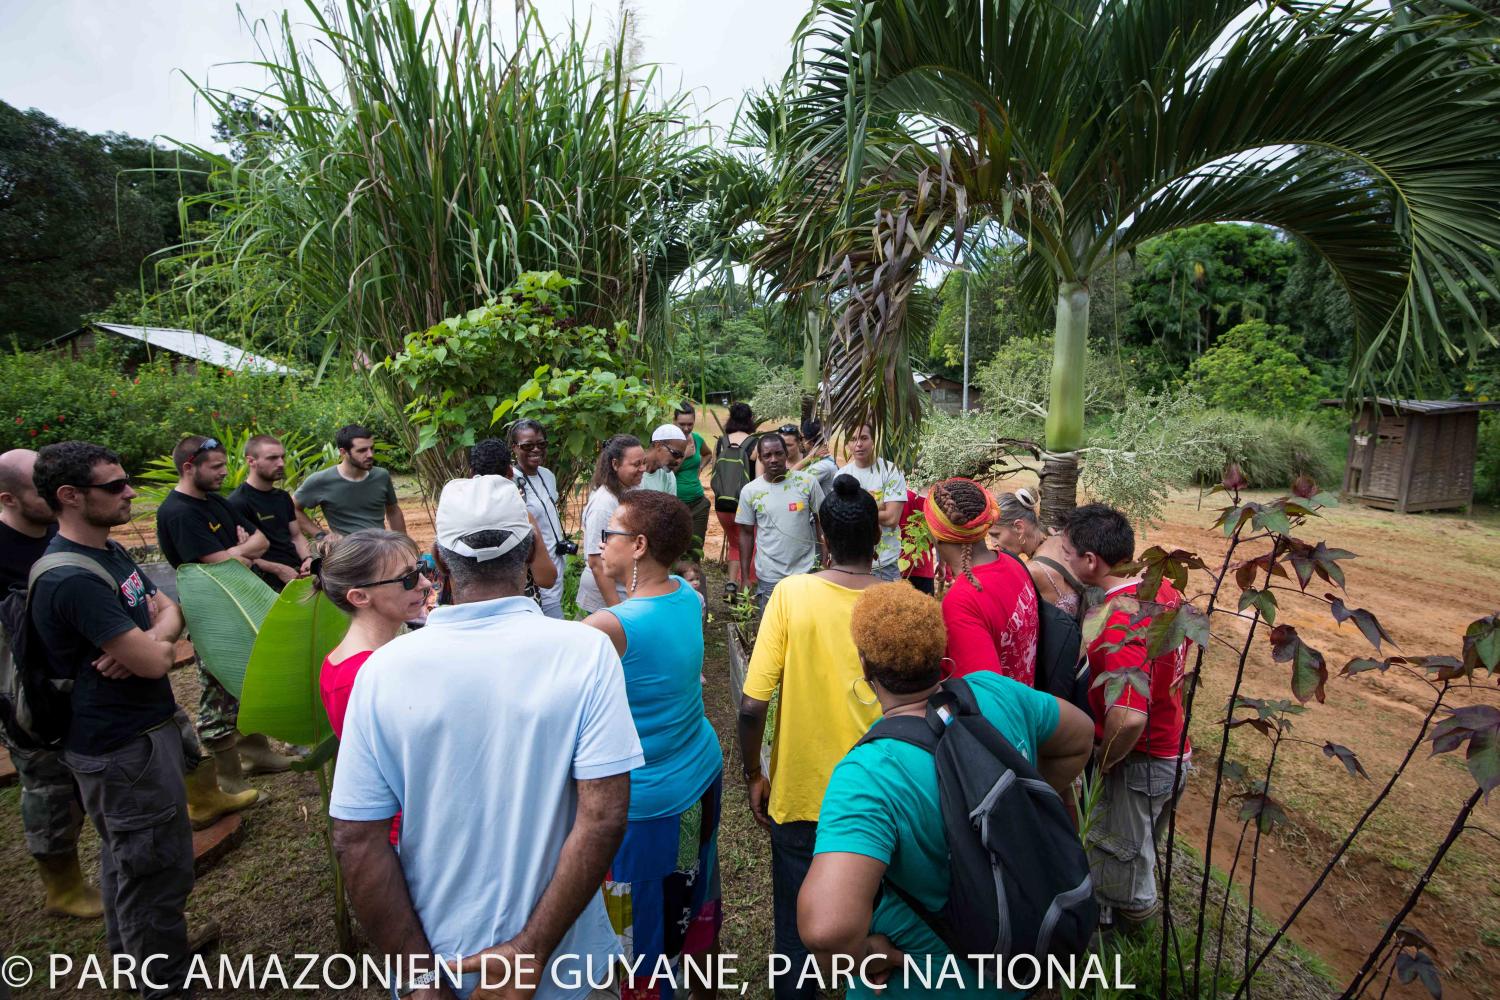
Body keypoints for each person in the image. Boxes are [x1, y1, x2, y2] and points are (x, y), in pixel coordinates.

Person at [329, 475, 643, 1000]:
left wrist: (420, 979)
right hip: (564, 964)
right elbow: (604, 815)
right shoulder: (585, 652)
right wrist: (530, 951)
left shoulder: (382, 671)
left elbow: (355, 837)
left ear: (437, 559)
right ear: (528, 548)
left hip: (443, 954)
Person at [797, 583, 1094, 1000]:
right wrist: (1023, 806)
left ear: (866, 666)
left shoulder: (871, 774)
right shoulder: (997, 692)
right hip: (1023, 969)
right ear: (941, 650)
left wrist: (862, 955)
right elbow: (1080, 735)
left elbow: (827, 930)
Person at [29, 442, 203, 996]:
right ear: (70, 496)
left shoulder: (110, 552)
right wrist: (155, 644)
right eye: (115, 486)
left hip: (141, 737)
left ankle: (141, 960)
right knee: (154, 871)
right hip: (121, 751)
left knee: (128, 863)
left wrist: (153, 636)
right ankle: (162, 982)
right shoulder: (71, 578)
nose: (130, 492)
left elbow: (168, 610)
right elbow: (156, 659)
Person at [736, 474, 883, 1000]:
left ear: (821, 537)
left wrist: (754, 773)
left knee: (797, 931)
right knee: (881, 924)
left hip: (801, 793)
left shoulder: (792, 594)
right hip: (880, 797)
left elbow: (754, 705)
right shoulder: (901, 600)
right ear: (878, 540)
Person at [582, 491, 723, 998]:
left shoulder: (607, 627)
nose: (601, 545)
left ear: (638, 545)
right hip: (696, 777)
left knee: (641, 926)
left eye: (610, 534)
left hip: (645, 808)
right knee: (687, 883)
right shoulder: (686, 593)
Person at [1060, 503, 1192, 934]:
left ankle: (1131, 954)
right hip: (1172, 750)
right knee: (1137, 854)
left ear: (1091, 562)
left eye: (1068, 553)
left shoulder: (1120, 619)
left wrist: (1105, 760)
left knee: (1123, 875)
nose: (1064, 559)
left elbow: (1129, 718)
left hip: (1139, 760)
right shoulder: (1165, 588)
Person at [155, 434, 291, 801]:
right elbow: (216, 564)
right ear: (189, 467)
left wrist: (236, 552)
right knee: (217, 691)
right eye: (215, 467)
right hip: (211, 614)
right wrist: (237, 553)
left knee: (247, 679)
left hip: (237, 600)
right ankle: (229, 777)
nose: (223, 472)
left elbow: (259, 542)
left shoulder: (214, 501)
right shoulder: (178, 512)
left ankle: (256, 752)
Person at [0, 448, 101, 919]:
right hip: (27, 689)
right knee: (48, 786)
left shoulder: (64, 537)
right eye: (38, 490)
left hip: (88, 674)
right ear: (9, 499)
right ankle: (62, 887)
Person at [316, 529, 432, 847]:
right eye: (407, 579)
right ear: (359, 597)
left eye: (422, 569)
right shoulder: (362, 677)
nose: (424, 584)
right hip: (408, 833)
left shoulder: (363, 661)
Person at [925, 478, 1039, 685]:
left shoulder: (961, 602)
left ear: (937, 535)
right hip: (1025, 703)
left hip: (1003, 714)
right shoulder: (1013, 564)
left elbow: (982, 696)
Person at [735, 434, 824, 609]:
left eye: (778, 453)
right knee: (773, 631)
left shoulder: (807, 482)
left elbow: (823, 522)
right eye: (767, 455)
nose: (773, 459)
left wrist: (825, 560)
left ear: (786, 454)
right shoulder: (750, 491)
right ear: (760, 458)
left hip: (806, 572)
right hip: (769, 576)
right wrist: (745, 577)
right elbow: (745, 534)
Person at [469, 438, 559, 602]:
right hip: (518, 610)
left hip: (471, 607)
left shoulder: (456, 515)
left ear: (471, 474)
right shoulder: (522, 516)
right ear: (510, 472)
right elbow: (547, 579)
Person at [227, 434, 314, 591]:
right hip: (264, 581)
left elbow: (296, 535)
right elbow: (237, 555)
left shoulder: (282, 497)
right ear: (251, 461)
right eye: (272, 458)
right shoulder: (237, 502)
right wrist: (278, 569)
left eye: (282, 457)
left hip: (297, 572)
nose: (281, 463)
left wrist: (307, 559)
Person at [294, 424, 406, 541]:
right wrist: (320, 534)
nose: (370, 455)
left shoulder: (381, 476)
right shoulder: (321, 480)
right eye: (362, 450)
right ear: (343, 452)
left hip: (380, 549)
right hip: (347, 553)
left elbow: (393, 511)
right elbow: (292, 508)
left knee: (422, 560)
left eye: (371, 448)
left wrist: (403, 544)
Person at [577, 434, 647, 613]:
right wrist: (617, 611)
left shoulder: (632, 489)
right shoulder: (604, 504)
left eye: (643, 462)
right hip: (604, 599)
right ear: (615, 464)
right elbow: (596, 562)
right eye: (636, 464)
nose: (643, 469)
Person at [989, 488, 1086, 617]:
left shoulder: (1032, 571)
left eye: (996, 535)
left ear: (1019, 527)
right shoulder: (1059, 538)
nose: (993, 543)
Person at [509, 419, 571, 619]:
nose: (536, 450)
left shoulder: (548, 475)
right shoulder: (510, 483)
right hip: (535, 583)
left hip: (556, 571)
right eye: (528, 446)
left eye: (541, 444)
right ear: (514, 448)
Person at [838, 424, 908, 582]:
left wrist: (852, 508)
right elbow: (839, 516)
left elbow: (891, 519)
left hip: (885, 561)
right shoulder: (841, 475)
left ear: (873, 441)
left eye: (864, 438)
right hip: (852, 561)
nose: (858, 444)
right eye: (853, 439)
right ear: (847, 443)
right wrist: (878, 506)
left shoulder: (890, 471)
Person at [710, 402, 758, 588]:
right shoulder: (754, 444)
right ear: (750, 419)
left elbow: (715, 474)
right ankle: (746, 588)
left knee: (735, 544)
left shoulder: (721, 442)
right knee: (750, 546)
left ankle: (731, 583)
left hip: (723, 504)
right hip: (745, 506)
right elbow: (760, 480)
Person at [672, 402, 712, 548]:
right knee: (676, 549)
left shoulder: (697, 439)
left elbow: (708, 454)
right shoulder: (667, 443)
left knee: (695, 547)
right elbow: (667, 474)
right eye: (682, 424)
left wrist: (700, 467)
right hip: (676, 504)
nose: (686, 428)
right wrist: (684, 456)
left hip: (698, 502)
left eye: (690, 424)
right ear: (674, 421)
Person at [897, 487, 937, 595]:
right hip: (924, 567)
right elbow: (937, 538)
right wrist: (942, 563)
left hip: (899, 566)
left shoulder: (900, 496)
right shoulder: (936, 500)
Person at [641, 424, 689, 495]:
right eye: (675, 454)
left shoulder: (668, 476)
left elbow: (670, 505)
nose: (678, 461)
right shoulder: (634, 471)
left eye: (681, 456)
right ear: (658, 445)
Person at [798, 419, 839, 493]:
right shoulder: (822, 460)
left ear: (810, 441)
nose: (801, 442)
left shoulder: (822, 466)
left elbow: (791, 482)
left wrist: (810, 457)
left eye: (801, 438)